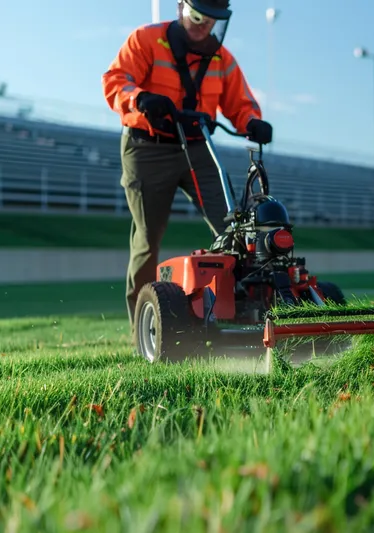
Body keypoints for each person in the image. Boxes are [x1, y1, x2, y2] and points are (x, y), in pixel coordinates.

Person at [101, 0, 273, 329]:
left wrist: (252, 122)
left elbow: (241, 104)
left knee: (234, 229)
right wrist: (140, 99)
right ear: (181, 7)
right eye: (197, 17)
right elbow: (115, 81)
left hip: (197, 146)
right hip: (147, 146)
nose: (203, 26)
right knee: (148, 237)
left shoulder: (223, 60)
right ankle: (145, 326)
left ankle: (243, 309)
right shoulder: (146, 40)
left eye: (212, 21)